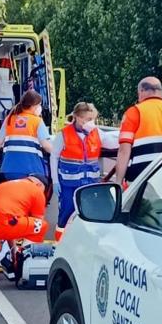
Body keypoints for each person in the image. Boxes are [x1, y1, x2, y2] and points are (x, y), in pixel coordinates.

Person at [0, 174, 50, 277]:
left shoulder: (7, 184)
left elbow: (10, 224)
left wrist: (13, 250)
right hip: (2, 223)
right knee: (41, 226)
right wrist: (15, 255)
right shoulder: (37, 191)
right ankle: (24, 261)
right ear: (39, 184)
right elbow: (37, 221)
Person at [115, 77, 162, 186]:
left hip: (143, 179)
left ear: (141, 91)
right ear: (160, 92)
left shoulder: (134, 112)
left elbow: (124, 151)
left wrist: (118, 182)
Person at [50, 102, 102, 241]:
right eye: (89, 119)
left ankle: (85, 243)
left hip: (90, 184)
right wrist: (55, 181)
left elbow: (113, 142)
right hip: (69, 185)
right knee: (65, 215)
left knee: (90, 215)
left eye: (93, 119)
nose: (92, 123)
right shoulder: (64, 135)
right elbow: (54, 157)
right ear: (78, 118)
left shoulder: (96, 133)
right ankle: (59, 243)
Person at [0, 90, 53, 182]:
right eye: (39, 105)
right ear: (33, 106)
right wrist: (61, 154)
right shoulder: (37, 121)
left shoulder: (9, 119)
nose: (40, 107)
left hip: (10, 169)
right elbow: (46, 145)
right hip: (31, 169)